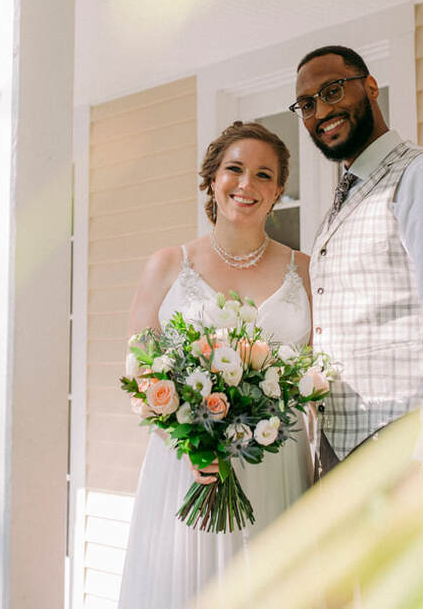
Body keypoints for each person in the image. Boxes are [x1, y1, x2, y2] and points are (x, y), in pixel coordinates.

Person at [118, 121, 314, 609]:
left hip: (276, 465)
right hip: (189, 469)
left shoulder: (306, 270)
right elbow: (141, 370)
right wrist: (188, 443)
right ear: (211, 179)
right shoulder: (167, 265)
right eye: (235, 169)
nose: (247, 184)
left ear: (278, 191)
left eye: (264, 175)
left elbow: (317, 370)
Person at [292, 45, 423, 473]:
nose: (320, 111)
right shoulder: (342, 201)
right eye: (307, 104)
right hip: (338, 448)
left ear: (370, 87)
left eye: (332, 91)